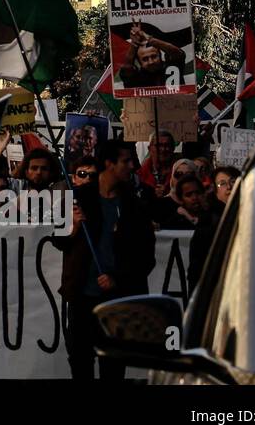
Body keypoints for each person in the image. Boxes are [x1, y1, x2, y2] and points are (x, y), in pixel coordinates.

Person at [54, 139, 156, 381]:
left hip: (116, 299)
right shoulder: (79, 198)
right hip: (82, 296)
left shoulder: (134, 204)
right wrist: (73, 226)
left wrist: (117, 278)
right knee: (80, 360)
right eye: (126, 161)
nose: (132, 166)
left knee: (113, 363)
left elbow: (145, 256)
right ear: (109, 164)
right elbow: (59, 241)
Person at [189, 165, 240, 286]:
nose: (229, 187)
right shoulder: (208, 221)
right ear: (215, 192)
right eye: (222, 183)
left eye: (233, 181)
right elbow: (197, 267)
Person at [117, 21, 186, 89]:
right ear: (139, 62)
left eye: (154, 56)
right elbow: (126, 67)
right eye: (145, 59)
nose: (151, 62)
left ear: (160, 55)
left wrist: (149, 39)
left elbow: (177, 53)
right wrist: (134, 44)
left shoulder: (172, 68)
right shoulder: (136, 78)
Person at [151, 158, 199, 228]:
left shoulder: (202, 204)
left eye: (189, 175)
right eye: (179, 174)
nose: (183, 179)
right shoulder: (161, 204)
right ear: (172, 179)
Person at [138, 130, 178, 197]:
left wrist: (170, 193)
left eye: (167, 145)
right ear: (149, 148)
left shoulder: (181, 172)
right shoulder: (140, 175)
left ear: (173, 148)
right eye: (158, 145)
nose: (163, 149)